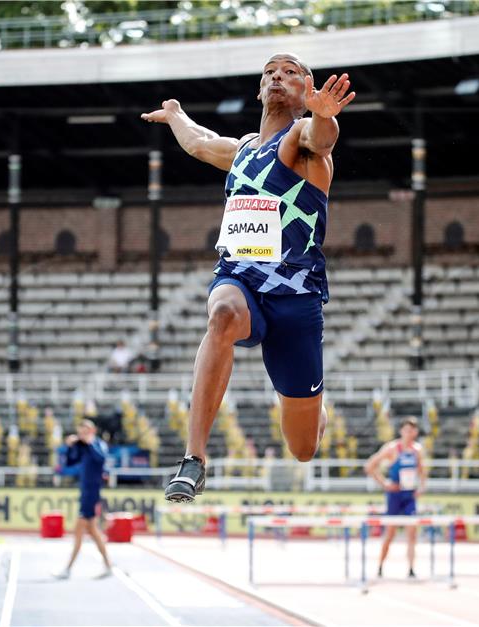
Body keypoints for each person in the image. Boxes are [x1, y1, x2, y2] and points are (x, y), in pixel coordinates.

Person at [142, 52, 355, 502]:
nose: (278, 75)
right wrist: (178, 116)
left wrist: (324, 116)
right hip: (240, 277)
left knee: (302, 447)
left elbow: (323, 137)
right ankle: (193, 460)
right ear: (260, 89)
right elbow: (200, 143)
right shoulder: (242, 151)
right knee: (221, 313)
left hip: (296, 299)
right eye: (270, 72)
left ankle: (314, 410)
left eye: (291, 72)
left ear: (305, 90)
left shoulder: (302, 139)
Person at [364, 416, 426, 579]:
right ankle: (380, 566)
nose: (409, 432)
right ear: (401, 431)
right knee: (390, 534)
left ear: (416, 432)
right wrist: (384, 484)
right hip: (394, 495)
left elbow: (422, 471)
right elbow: (370, 466)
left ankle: (411, 569)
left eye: (412, 430)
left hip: (409, 495)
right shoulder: (392, 448)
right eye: (406, 429)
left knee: (412, 533)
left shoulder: (417, 450)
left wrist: (421, 487)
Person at [54, 420, 112, 579]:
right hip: (85, 491)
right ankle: (108, 565)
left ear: (92, 430)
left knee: (79, 531)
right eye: (80, 432)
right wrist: (70, 446)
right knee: (93, 532)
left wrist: (89, 443)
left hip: (92, 493)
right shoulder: (82, 446)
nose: (82, 435)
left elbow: (101, 459)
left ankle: (68, 568)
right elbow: (70, 461)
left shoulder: (98, 444)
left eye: (85, 432)